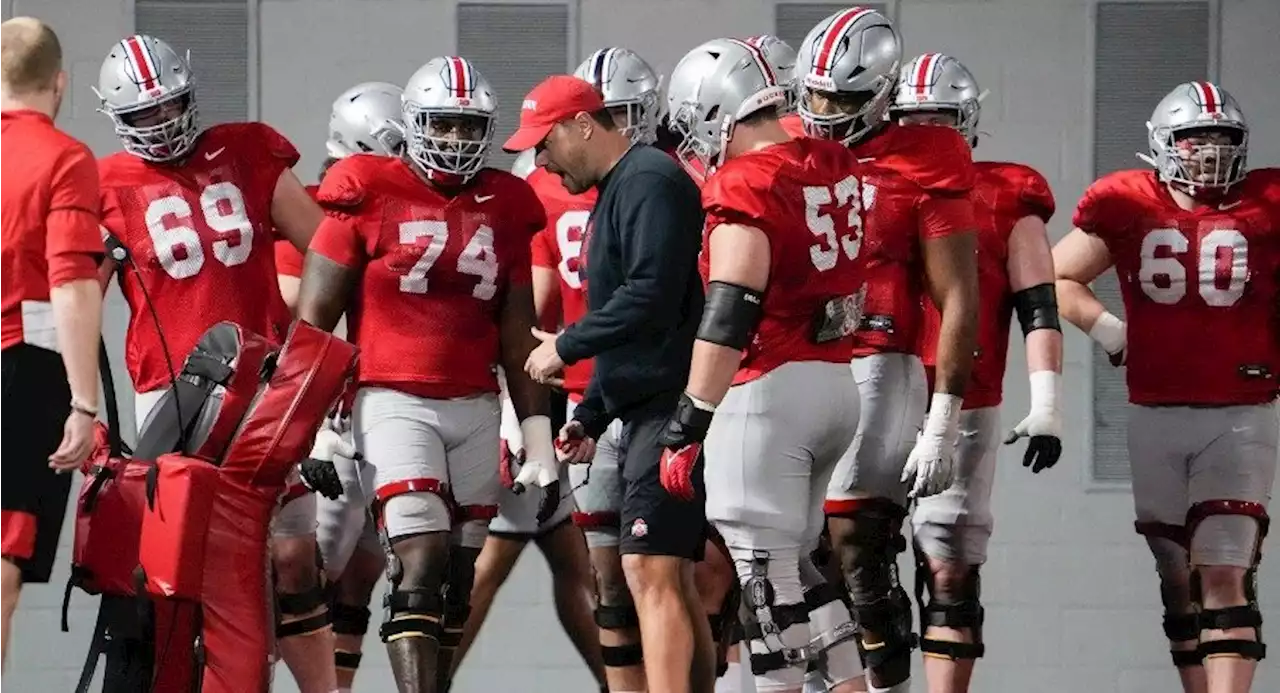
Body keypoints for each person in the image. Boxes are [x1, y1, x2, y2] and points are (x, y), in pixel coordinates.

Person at [296, 55, 559, 693]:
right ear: (413, 124)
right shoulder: (367, 189)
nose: (457, 141)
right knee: (421, 554)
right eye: (443, 125)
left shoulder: (507, 201)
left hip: (474, 403)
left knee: (458, 577)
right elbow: (312, 324)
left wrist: (538, 433)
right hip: (390, 398)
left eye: (470, 128)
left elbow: (516, 329)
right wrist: (309, 427)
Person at [93, 33, 328, 691]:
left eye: (172, 106)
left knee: (292, 555)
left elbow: (327, 247)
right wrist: (83, 403)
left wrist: (310, 351)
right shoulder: (106, 185)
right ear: (117, 118)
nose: (164, 124)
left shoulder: (248, 148)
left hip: (267, 382)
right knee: (183, 569)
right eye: (145, 114)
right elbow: (78, 304)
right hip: (171, 391)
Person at [1054, 81, 1279, 693]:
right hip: (1154, 409)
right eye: (1194, 137)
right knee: (1176, 574)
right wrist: (1112, 334)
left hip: (1240, 411)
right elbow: (1059, 275)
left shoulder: (1271, 200)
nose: (1209, 150)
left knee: (1225, 568)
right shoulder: (1127, 201)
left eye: (1222, 138)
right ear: (1163, 143)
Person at [662, 37, 869, 693]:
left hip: (769, 394)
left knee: (764, 578)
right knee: (803, 564)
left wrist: (689, 419)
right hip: (838, 382)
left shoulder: (744, 181)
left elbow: (730, 308)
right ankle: (849, 685)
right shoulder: (832, 159)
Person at [789, 8, 981, 692]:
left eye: (841, 100)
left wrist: (944, 420)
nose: (823, 113)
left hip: (880, 361)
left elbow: (959, 296)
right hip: (798, 365)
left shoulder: (925, 158)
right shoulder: (787, 149)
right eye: (813, 95)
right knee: (797, 552)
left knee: (858, 549)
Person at [509, 75, 714, 693]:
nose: (540, 162)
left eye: (544, 145)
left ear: (582, 125)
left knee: (651, 569)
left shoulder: (648, 180)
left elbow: (651, 296)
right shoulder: (621, 189)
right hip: (646, 402)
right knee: (660, 575)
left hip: (670, 406)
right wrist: (591, 412)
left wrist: (565, 348)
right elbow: (635, 323)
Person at [890, 53, 1063, 693]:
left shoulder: (1004, 192)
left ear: (967, 124)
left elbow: (1038, 306)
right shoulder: (863, 177)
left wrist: (1048, 401)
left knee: (949, 569)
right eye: (917, 122)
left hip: (966, 396)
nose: (930, 136)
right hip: (870, 387)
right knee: (856, 560)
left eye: (941, 122)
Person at [274, 80, 406, 693]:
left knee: (365, 571)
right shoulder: (314, 207)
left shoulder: (408, 206)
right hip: (325, 416)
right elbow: (293, 312)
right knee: (309, 577)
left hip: (376, 406)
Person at [0, 16, 103, 671]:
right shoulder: (65, 160)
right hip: (20, 370)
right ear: (59, 83)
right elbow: (71, 283)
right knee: (2, 560)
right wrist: (84, 402)